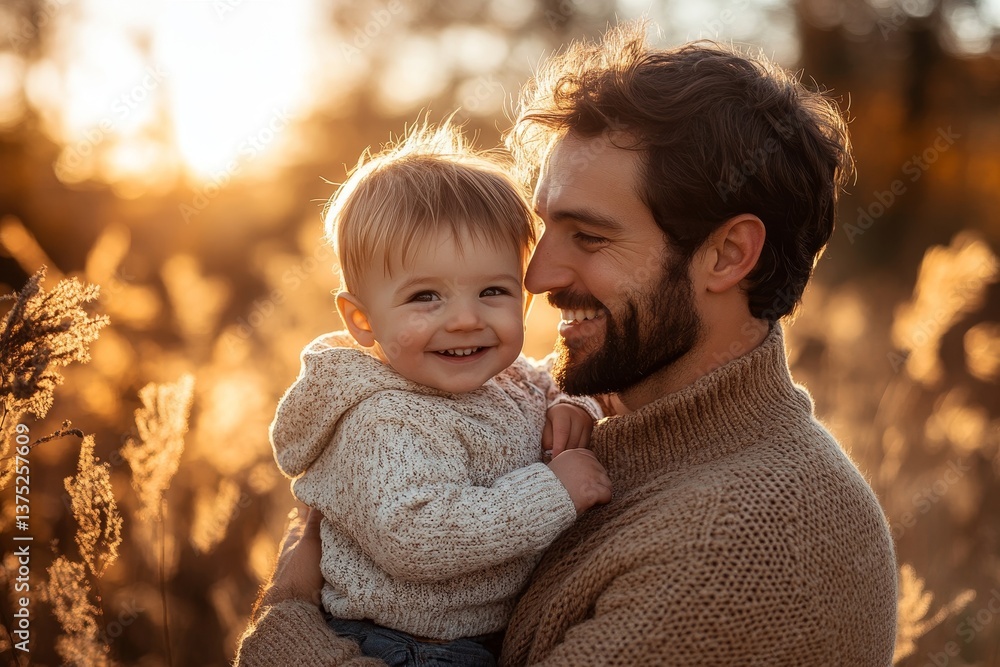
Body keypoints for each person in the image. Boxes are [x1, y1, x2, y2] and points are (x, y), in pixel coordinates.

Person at [236, 22, 898, 666]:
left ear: (727, 255)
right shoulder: (616, 428)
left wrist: (287, 626)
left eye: (589, 237)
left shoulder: (739, 545)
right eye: (545, 228)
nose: (536, 277)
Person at [264, 123, 613, 666]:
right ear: (362, 320)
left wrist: (577, 405)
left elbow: (556, 380)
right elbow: (416, 537)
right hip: (406, 644)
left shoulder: (511, 379)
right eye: (426, 296)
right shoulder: (381, 420)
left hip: (481, 635)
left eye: (492, 291)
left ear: (523, 301)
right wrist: (552, 492)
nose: (466, 319)